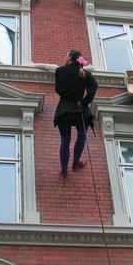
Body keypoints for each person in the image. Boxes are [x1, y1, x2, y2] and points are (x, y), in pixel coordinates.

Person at [53, 50, 98, 180]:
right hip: (79, 109)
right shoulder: (86, 74)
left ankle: (64, 171)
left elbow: (58, 90)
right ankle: (76, 163)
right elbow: (93, 88)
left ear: (71, 58)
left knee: (65, 141)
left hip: (64, 109)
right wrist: (84, 102)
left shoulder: (60, 71)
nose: (64, 57)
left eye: (66, 55)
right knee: (82, 135)